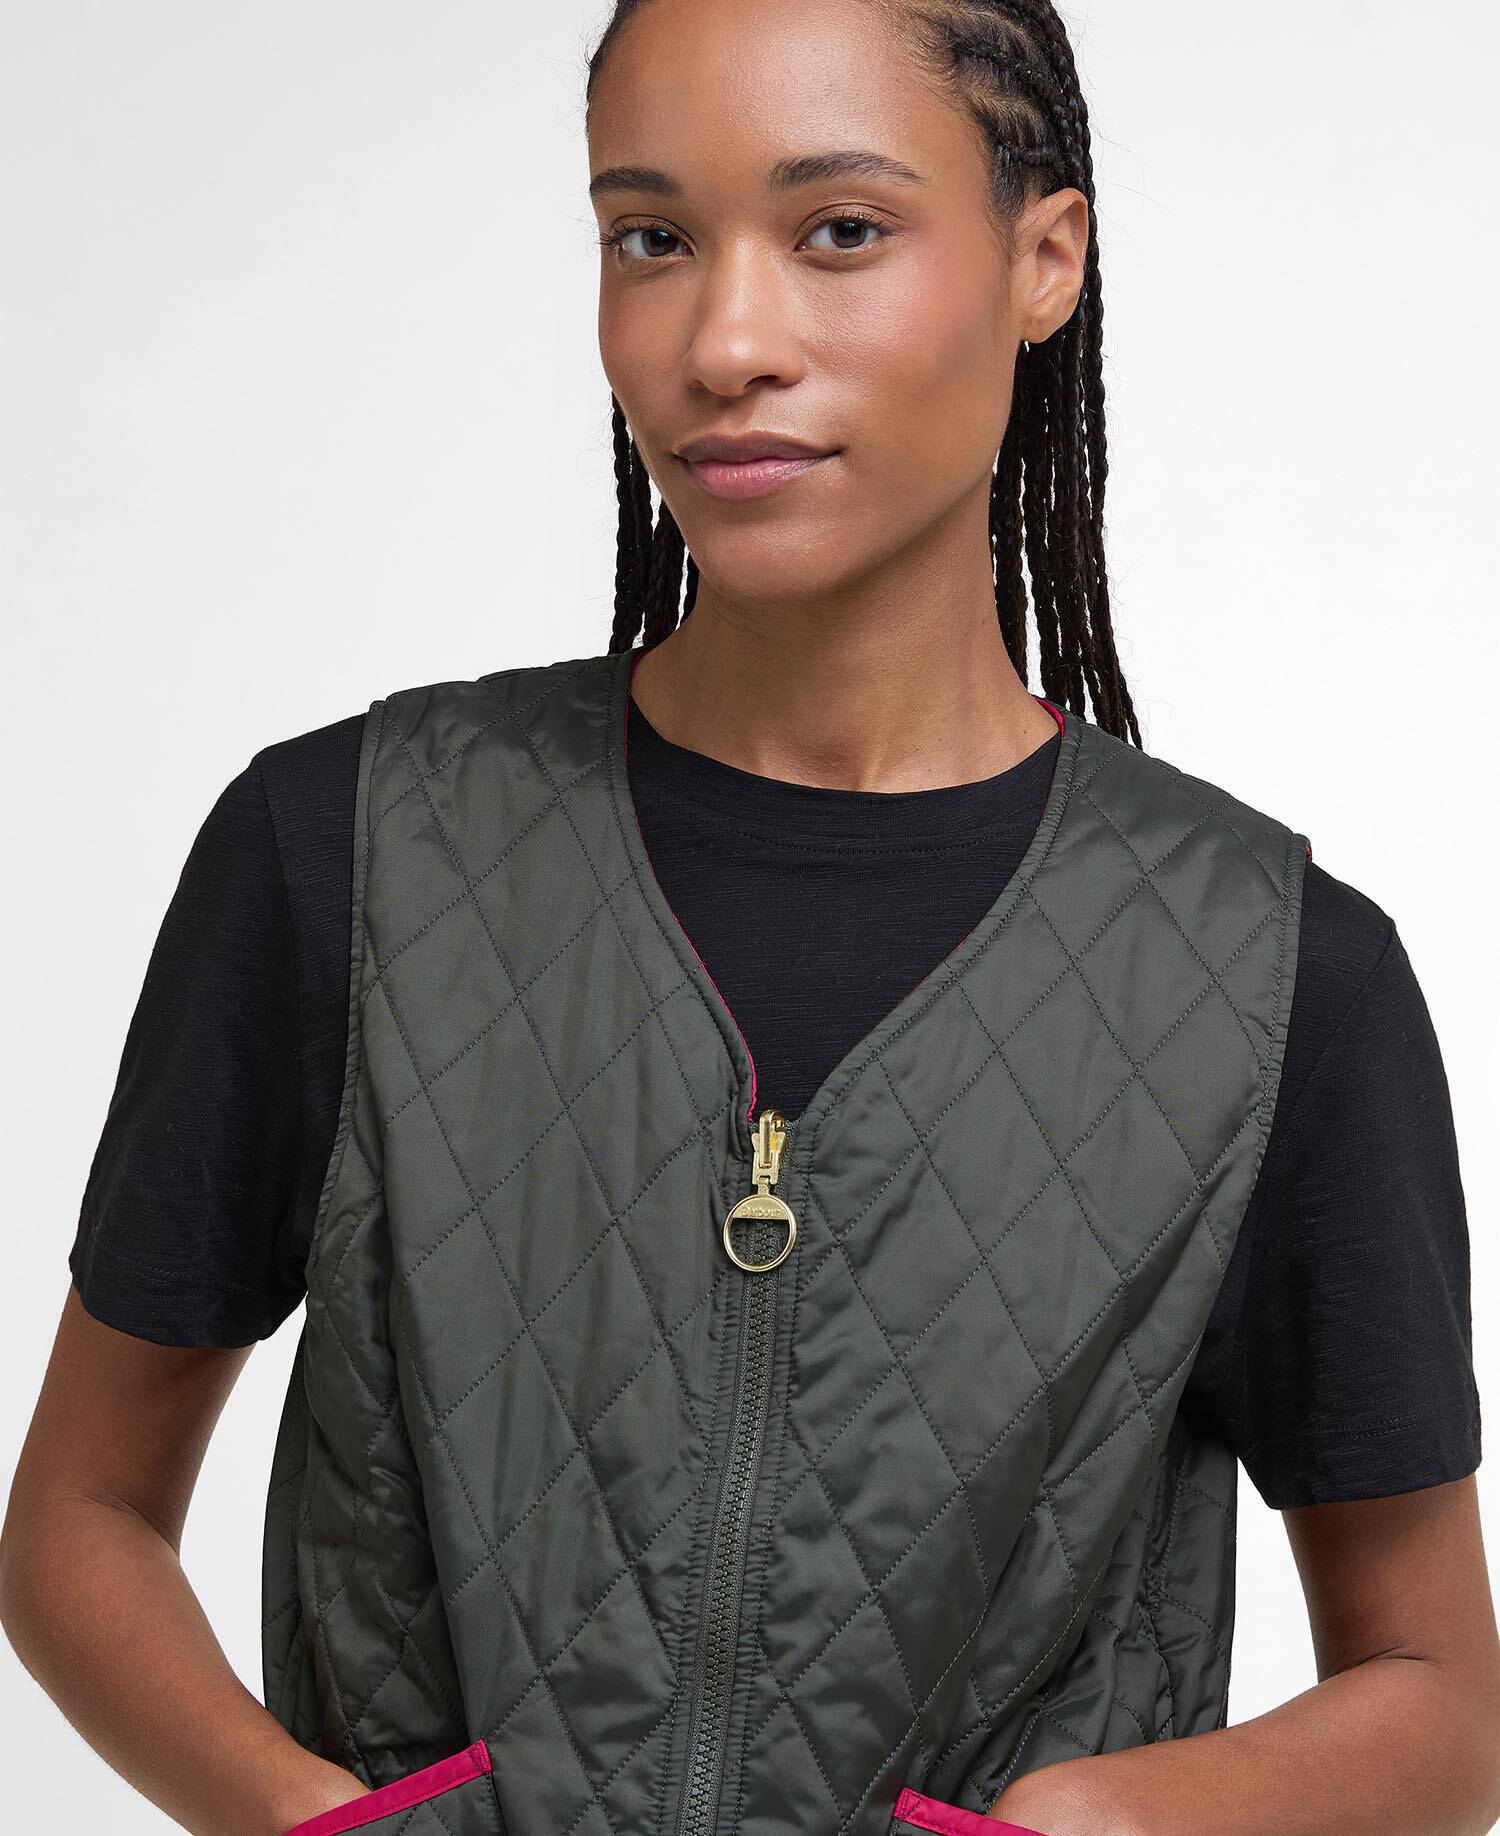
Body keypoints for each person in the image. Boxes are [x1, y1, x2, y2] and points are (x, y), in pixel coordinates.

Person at [3, 1, 1495, 1833]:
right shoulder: (348, 853)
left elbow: (1440, 1705)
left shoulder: (1273, 979)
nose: (723, 341)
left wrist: (1104, 1827)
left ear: (1045, 259)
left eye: (839, 230)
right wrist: (313, 1823)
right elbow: (78, 1520)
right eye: (650, 237)